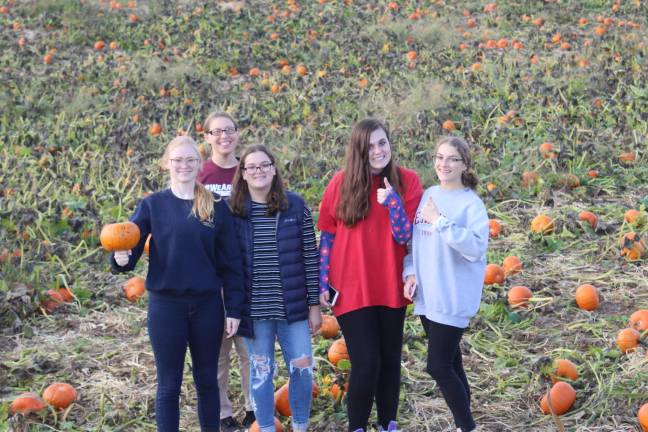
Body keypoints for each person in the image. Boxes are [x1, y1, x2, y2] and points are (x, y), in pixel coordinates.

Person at [111, 135, 245, 432]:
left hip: (208, 305)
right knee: (169, 384)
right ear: (166, 164)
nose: (183, 165)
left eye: (190, 160)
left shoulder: (215, 206)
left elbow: (231, 263)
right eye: (177, 160)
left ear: (200, 164)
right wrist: (120, 258)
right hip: (166, 306)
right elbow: (129, 251)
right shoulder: (152, 206)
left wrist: (234, 308)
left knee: (207, 380)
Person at [317, 118, 423, 432]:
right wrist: (322, 281)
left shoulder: (408, 182)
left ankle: (388, 423)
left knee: (390, 360)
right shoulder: (341, 182)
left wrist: (393, 204)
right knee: (366, 362)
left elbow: (406, 237)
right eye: (370, 146)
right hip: (351, 286)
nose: (378, 151)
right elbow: (327, 236)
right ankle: (358, 426)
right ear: (358, 151)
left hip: (391, 284)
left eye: (382, 143)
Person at [230, 144, 322, 432]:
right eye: (252, 167)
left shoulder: (294, 206)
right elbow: (227, 264)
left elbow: (310, 255)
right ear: (243, 174)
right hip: (255, 312)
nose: (258, 171)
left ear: (273, 169)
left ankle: (300, 426)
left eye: (264, 165)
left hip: (292, 309)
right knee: (261, 374)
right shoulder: (233, 213)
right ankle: (267, 428)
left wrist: (314, 306)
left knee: (303, 370)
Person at [403, 136, 489, 432]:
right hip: (428, 296)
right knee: (452, 363)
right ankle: (466, 421)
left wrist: (439, 221)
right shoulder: (429, 194)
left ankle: (467, 427)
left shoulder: (471, 205)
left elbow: (475, 248)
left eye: (452, 158)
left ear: (465, 164)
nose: (444, 164)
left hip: (452, 298)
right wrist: (410, 272)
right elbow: (414, 244)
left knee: (437, 366)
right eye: (440, 157)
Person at [197, 111, 255, 431]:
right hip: (214, 273)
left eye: (229, 130)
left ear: (237, 133)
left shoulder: (249, 171)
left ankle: (253, 407)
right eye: (217, 132)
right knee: (217, 349)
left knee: (249, 346)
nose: (224, 137)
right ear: (206, 137)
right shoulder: (201, 175)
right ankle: (221, 412)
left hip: (248, 270)